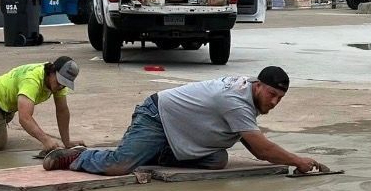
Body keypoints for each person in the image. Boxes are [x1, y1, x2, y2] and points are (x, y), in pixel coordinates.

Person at [43, 65, 329, 176]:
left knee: (216, 159)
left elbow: (255, 148)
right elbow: (262, 149)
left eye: (279, 98)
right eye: (271, 94)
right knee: (119, 165)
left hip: (179, 131)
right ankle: (76, 157)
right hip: (157, 117)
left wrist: (289, 160)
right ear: (257, 86)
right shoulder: (235, 100)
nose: (274, 102)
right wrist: (297, 161)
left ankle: (155, 153)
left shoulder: (248, 94)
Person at [0, 56, 82, 153]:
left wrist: (67, 142)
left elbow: (62, 111)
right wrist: (46, 140)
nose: (61, 86)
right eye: (59, 81)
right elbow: (25, 118)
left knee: (3, 119)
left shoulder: (57, 82)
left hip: (6, 107)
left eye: (65, 84)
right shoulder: (32, 80)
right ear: (52, 71)